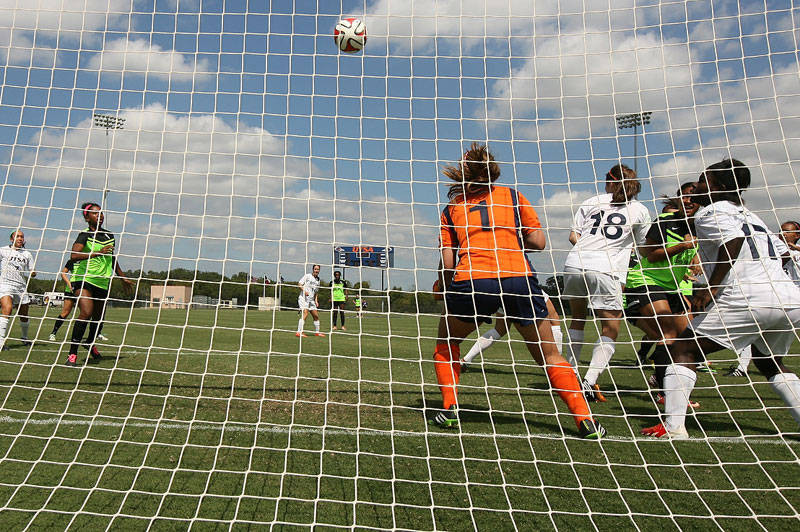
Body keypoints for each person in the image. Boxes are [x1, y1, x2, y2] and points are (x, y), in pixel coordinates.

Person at [431, 142, 605, 439]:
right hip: (518, 278)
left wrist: (441, 286)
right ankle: (585, 420)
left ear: (463, 174)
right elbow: (538, 242)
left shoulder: (452, 208)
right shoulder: (513, 196)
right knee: (550, 355)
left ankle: (449, 409)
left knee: (446, 343)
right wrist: (507, 242)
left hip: (474, 280)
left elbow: (448, 262)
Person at [642, 158, 800, 439]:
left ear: (720, 186)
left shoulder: (710, 212)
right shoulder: (752, 216)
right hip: (788, 297)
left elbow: (733, 243)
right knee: (770, 362)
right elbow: (783, 251)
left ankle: (674, 426)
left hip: (749, 296)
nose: (698, 186)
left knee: (683, 351)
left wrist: (712, 286)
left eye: (704, 181)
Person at [561, 164, 651, 402]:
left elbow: (574, 235)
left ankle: (568, 376)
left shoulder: (592, 201)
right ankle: (589, 381)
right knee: (611, 327)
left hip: (574, 264)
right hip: (606, 269)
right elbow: (643, 249)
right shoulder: (640, 210)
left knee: (577, 319)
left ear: (611, 181)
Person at [624, 184, 701, 405]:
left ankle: (670, 384)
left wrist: (695, 261)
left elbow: (697, 249)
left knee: (687, 338)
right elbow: (652, 254)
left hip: (671, 288)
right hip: (647, 281)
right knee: (667, 332)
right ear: (678, 200)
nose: (688, 201)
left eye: (694, 198)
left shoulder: (700, 225)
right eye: (685, 197)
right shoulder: (665, 221)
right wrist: (682, 247)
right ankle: (665, 392)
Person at [64, 203, 134, 366]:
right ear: (87, 217)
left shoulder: (109, 235)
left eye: (101, 213)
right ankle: (72, 354)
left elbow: (111, 258)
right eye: (95, 214)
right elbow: (74, 255)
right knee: (86, 312)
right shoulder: (84, 235)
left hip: (102, 281)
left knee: (99, 319)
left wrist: (122, 277)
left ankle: (89, 343)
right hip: (84, 279)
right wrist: (96, 253)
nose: (100, 216)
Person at [459, 295, 563, 371]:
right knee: (553, 318)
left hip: (501, 291)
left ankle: (466, 360)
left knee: (500, 329)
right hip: (523, 284)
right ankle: (558, 367)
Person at [48, 259, 110, 342]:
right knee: (65, 312)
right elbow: (63, 273)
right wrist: (69, 283)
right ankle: (53, 333)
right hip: (71, 289)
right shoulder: (73, 260)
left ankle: (97, 334)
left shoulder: (89, 259)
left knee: (89, 312)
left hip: (84, 288)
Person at [0, 230, 36, 349]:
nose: (20, 239)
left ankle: (24, 338)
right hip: (5, 284)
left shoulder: (27, 254)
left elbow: (32, 269)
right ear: (11, 239)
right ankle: (1, 342)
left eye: (22, 237)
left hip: (20, 286)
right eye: (18, 236)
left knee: (24, 314)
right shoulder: (3, 250)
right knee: (7, 309)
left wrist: (33, 273)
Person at [297, 264, 324, 337]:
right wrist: (304, 291)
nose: (316, 270)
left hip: (311, 300)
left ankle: (317, 332)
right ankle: (299, 332)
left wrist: (316, 301)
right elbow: (299, 284)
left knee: (316, 316)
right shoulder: (307, 276)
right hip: (304, 299)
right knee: (305, 313)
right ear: (313, 269)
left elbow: (316, 292)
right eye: (315, 269)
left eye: (318, 269)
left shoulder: (318, 280)